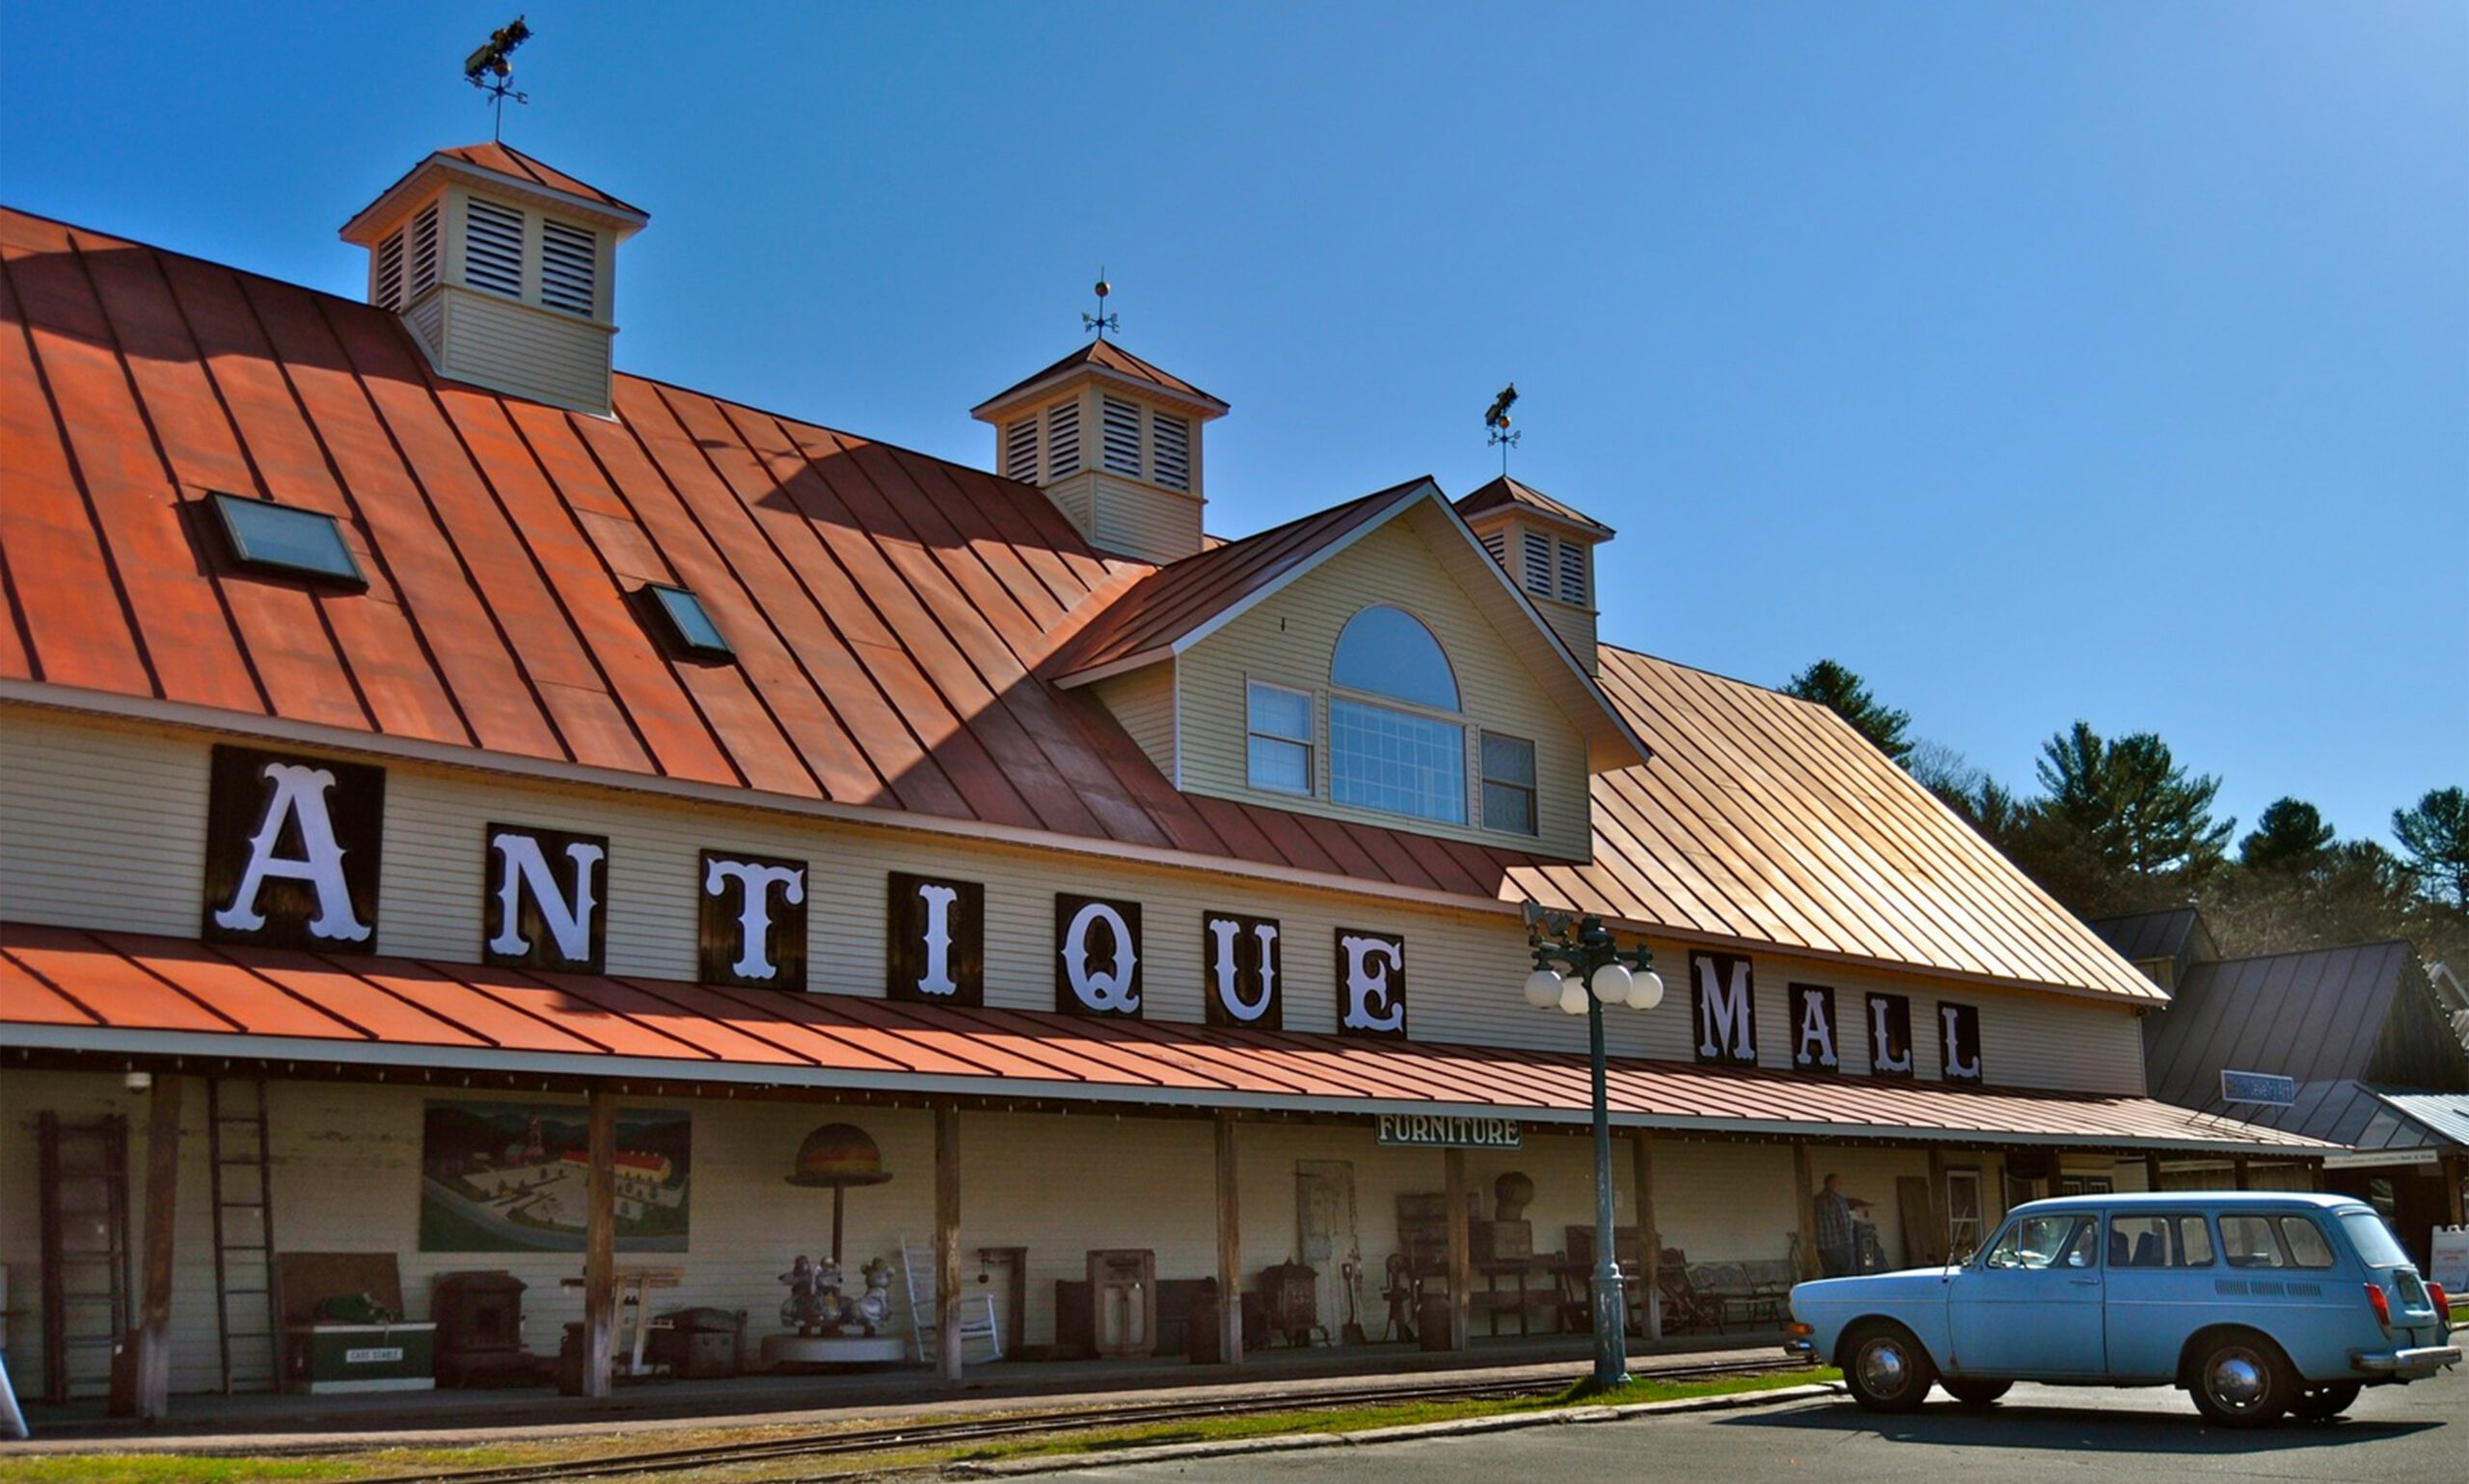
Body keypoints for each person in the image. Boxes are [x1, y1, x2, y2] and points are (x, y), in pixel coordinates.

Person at [1813, 1173, 1867, 1278]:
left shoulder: (1816, 1200)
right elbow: (1845, 1224)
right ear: (1832, 1184)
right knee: (1847, 1274)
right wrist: (1850, 1244)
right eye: (1838, 1183)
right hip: (1839, 1244)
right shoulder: (1838, 1200)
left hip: (1822, 1246)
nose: (1840, 1186)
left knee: (1829, 1275)